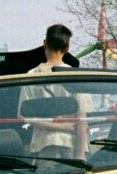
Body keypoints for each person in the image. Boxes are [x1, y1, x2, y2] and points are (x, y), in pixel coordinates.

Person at [19, 24, 85, 158]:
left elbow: (23, 116)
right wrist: (80, 154)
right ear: (67, 48)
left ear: (44, 44)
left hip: (44, 145)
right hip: (72, 144)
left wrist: (58, 127)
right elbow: (82, 119)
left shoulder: (31, 75)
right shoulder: (77, 76)